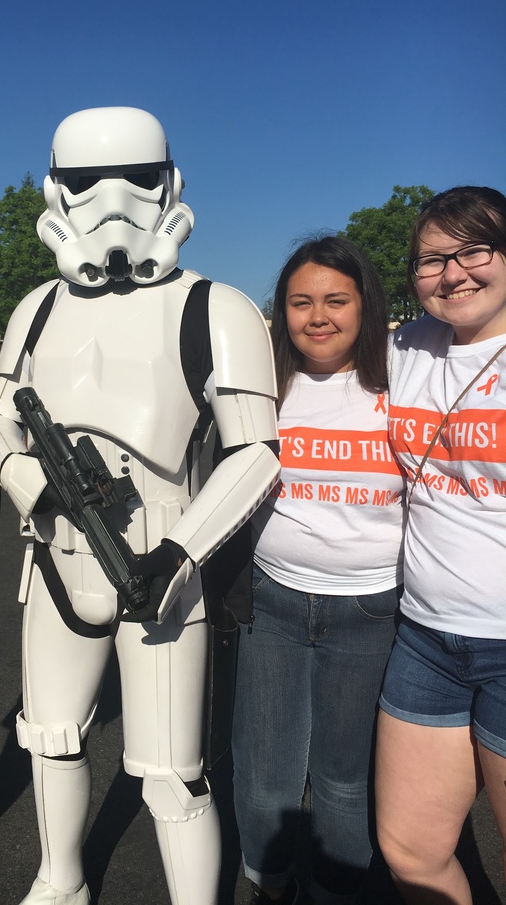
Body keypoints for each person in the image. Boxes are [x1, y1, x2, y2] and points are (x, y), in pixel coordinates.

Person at [0, 106, 281, 905]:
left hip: (165, 562)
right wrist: (29, 481)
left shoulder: (216, 307)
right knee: (49, 739)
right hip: (55, 556)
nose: (113, 200)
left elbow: (255, 451)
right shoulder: (36, 308)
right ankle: (59, 878)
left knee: (172, 775)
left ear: (169, 186)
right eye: (85, 181)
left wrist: (183, 554)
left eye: (138, 179)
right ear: (57, 190)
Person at [231, 236, 404, 905]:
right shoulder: (262, 387)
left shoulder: (401, 384)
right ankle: (268, 885)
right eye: (301, 302)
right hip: (273, 602)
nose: (318, 316)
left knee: (344, 778)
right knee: (265, 772)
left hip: (369, 610)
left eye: (336, 300)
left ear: (365, 306)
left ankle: (337, 891)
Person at [376, 186, 506, 905]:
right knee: (411, 851)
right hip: (426, 640)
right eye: (432, 260)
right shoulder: (406, 348)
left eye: (475, 250)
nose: (454, 273)